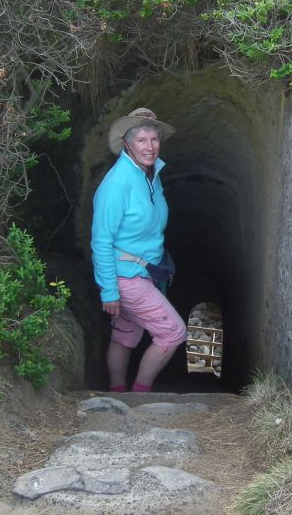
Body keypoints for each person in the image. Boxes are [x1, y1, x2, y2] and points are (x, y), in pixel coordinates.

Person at [91, 108, 187, 393]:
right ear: (128, 143)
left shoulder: (150, 175)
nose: (150, 146)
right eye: (142, 140)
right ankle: (139, 396)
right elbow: (101, 241)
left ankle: (117, 392)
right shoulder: (117, 184)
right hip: (127, 278)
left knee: (125, 334)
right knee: (173, 332)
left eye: (154, 139)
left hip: (144, 273)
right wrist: (108, 290)